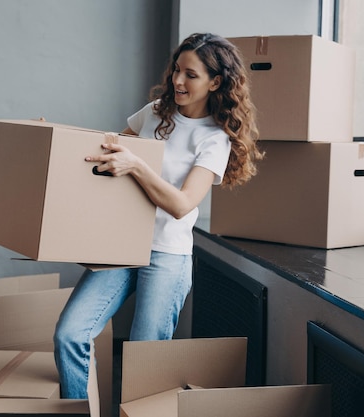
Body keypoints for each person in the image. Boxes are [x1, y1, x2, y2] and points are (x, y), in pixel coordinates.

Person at [53, 32, 264, 399]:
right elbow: (112, 150)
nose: (178, 81)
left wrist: (136, 165)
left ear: (216, 82)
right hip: (121, 248)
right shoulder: (154, 113)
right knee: (69, 334)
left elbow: (183, 204)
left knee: (143, 365)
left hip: (167, 254)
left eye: (191, 75)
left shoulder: (214, 139)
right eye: (176, 71)